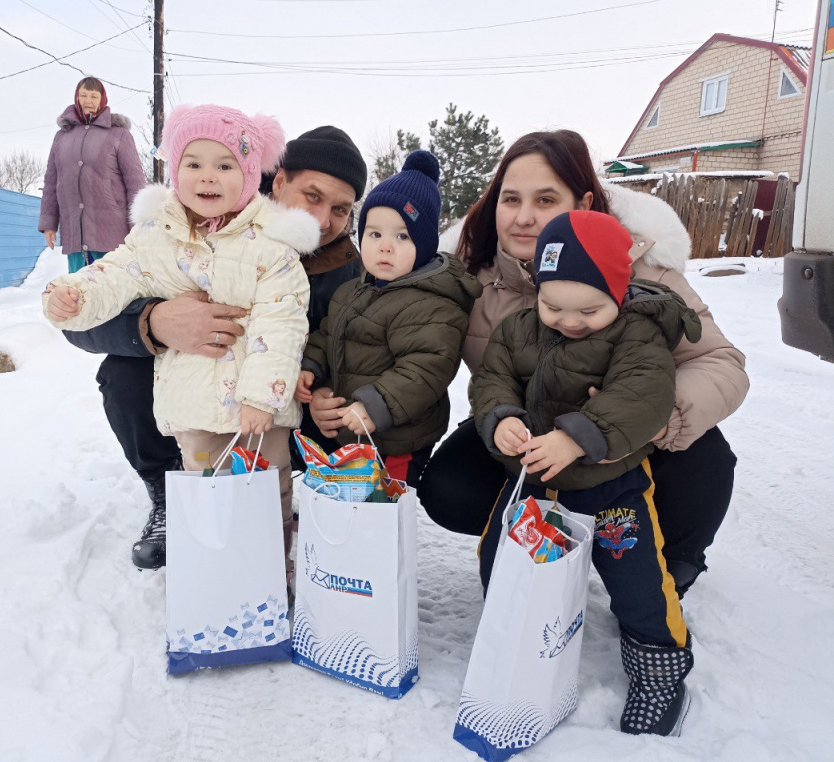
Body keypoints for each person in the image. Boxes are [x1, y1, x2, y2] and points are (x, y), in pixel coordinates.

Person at [406, 130, 748, 595]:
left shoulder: (640, 268)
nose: (524, 218)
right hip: (530, 431)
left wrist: (649, 420)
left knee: (704, 459)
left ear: (582, 202)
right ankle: (541, 543)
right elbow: (415, 351)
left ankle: (670, 559)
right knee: (450, 485)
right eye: (511, 199)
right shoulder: (470, 278)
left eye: (545, 199)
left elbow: (719, 362)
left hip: (629, 438)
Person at [61, 125, 367, 571]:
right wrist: (154, 322)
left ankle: (288, 517)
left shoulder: (347, 268)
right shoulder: (198, 224)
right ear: (278, 181)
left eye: (340, 209)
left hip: (285, 414)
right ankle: (173, 493)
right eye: (313, 197)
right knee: (123, 372)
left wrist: (322, 385)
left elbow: (364, 348)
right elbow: (84, 321)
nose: (323, 220)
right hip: (198, 396)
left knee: (299, 443)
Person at [472, 209, 701, 736]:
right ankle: (518, 639)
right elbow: (492, 379)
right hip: (533, 481)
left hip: (611, 486)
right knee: (501, 557)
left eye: (590, 310)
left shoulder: (638, 335)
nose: (569, 322)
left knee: (640, 584)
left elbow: (643, 395)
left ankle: (659, 672)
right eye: (554, 306)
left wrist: (578, 435)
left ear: (619, 294)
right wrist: (500, 417)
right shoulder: (518, 329)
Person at [296, 151, 481, 486]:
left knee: (386, 510)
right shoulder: (353, 290)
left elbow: (426, 367)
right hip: (351, 429)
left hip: (398, 440)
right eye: (374, 234)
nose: (385, 247)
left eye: (402, 236)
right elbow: (327, 335)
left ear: (424, 245)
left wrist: (376, 404)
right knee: (351, 506)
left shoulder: (434, 303)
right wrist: (312, 367)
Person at [38, 76, 147, 273]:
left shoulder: (119, 135)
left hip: (112, 232)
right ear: (76, 98)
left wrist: (138, 226)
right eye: (83, 95)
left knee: (113, 291)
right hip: (75, 232)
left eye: (93, 96)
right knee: (80, 293)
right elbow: (52, 182)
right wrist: (49, 224)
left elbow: (135, 182)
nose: (88, 100)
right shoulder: (62, 137)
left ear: (102, 100)